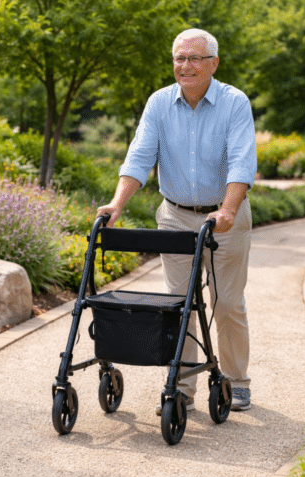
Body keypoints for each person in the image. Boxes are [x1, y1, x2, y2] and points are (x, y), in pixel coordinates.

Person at [96, 28, 256, 412]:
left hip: (224, 218)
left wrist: (229, 210)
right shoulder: (159, 103)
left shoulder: (234, 102)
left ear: (213, 64)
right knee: (179, 304)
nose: (185, 66)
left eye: (194, 59)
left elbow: (241, 161)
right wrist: (117, 204)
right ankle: (181, 386)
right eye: (179, 58)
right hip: (175, 216)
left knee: (228, 301)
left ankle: (236, 380)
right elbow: (139, 156)